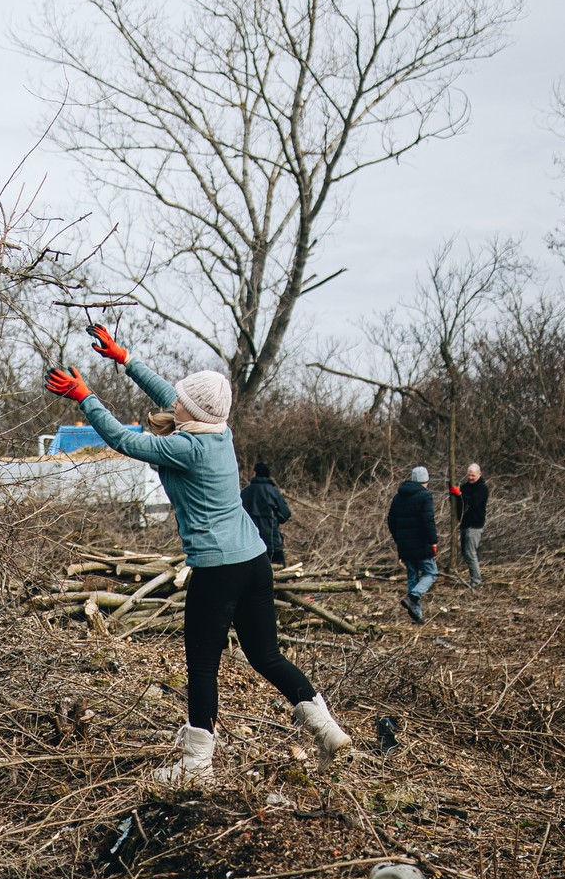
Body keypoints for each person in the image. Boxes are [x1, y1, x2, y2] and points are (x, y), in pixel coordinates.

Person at [43, 329, 351, 788]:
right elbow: (172, 396)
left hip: (219, 569)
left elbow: (124, 442)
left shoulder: (185, 448)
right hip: (254, 560)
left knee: (203, 665)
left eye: (182, 400)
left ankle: (196, 766)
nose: (175, 402)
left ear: (193, 411)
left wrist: (85, 397)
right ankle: (327, 730)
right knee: (266, 655)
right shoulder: (219, 432)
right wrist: (126, 360)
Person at [387, 466, 440, 624]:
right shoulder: (425, 496)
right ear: (426, 481)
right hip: (421, 544)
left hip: (404, 545)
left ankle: (417, 616)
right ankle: (413, 597)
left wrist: (399, 539)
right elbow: (428, 520)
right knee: (431, 573)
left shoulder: (398, 497)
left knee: (412, 576)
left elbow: (391, 520)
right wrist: (433, 541)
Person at [241, 462, 292, 566]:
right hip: (272, 542)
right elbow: (285, 514)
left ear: (255, 473)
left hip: (250, 543)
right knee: (281, 574)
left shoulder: (244, 493)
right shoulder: (273, 492)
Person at [450, 464, 489, 588]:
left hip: (475, 525)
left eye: (473, 475)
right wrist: (454, 495)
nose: (471, 477)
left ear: (479, 474)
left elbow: (473, 502)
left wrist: (460, 494)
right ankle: (474, 580)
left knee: (470, 553)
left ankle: (476, 582)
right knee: (465, 552)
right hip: (464, 524)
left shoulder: (482, 488)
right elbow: (459, 504)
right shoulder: (465, 487)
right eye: (469, 475)